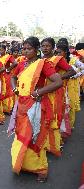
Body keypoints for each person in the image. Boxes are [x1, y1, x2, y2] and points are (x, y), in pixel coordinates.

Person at [9, 37, 63, 182]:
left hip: (35, 106)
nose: (26, 51)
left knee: (35, 136)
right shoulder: (22, 64)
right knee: (21, 134)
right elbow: (12, 77)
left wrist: (39, 92)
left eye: (29, 48)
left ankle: (41, 169)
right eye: (24, 48)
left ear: (36, 49)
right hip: (21, 105)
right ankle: (24, 164)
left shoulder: (43, 64)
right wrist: (15, 88)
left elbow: (58, 82)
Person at [41, 37, 75, 156]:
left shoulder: (58, 59)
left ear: (53, 47)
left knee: (54, 118)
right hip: (43, 92)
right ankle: (44, 143)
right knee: (43, 118)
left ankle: (53, 144)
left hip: (55, 93)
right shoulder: (40, 60)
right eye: (43, 46)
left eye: (48, 46)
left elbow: (72, 71)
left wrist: (59, 79)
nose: (45, 48)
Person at [55, 42, 83, 129]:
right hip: (59, 86)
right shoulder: (55, 59)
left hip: (70, 85)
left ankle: (69, 127)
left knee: (70, 106)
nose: (57, 54)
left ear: (65, 52)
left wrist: (76, 75)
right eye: (56, 52)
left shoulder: (73, 59)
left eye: (59, 52)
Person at [0, 45, 18, 114]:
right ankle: (3, 108)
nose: (0, 51)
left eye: (2, 49)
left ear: (5, 50)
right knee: (1, 91)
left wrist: (8, 69)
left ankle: (8, 108)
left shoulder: (9, 56)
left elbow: (15, 63)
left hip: (6, 76)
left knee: (8, 91)